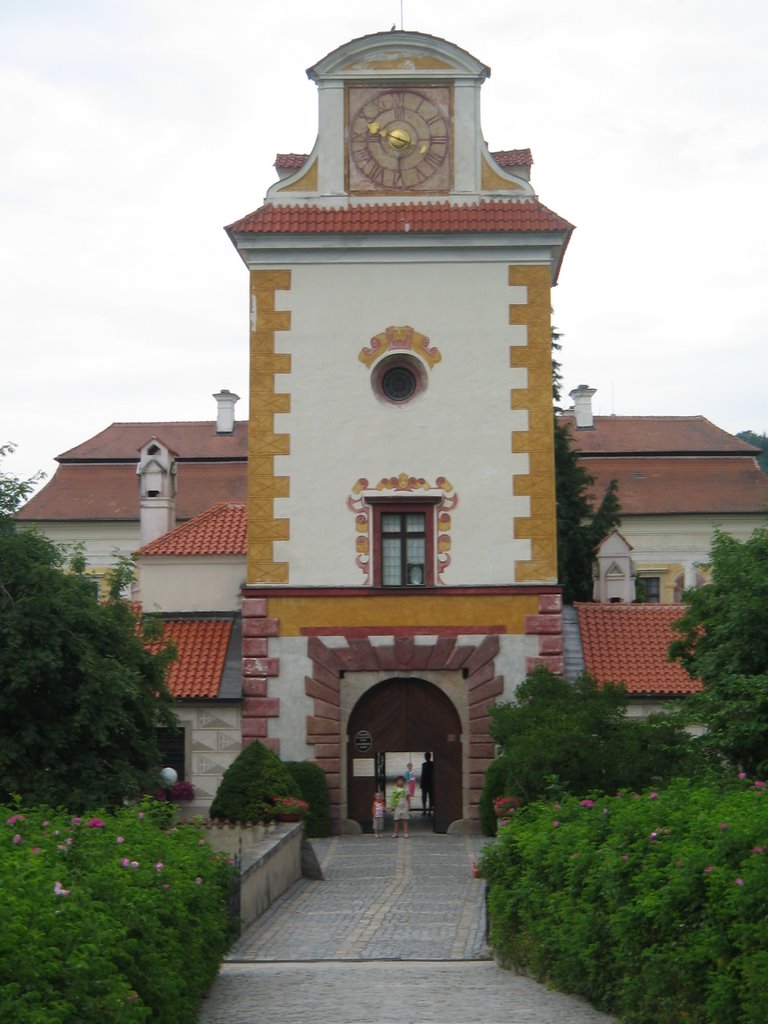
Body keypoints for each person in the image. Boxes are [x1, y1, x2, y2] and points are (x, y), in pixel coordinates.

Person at [420, 751, 434, 816]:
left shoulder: (424, 765)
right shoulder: (433, 764)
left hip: (425, 783)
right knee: (431, 797)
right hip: (431, 783)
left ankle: (424, 810)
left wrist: (421, 784)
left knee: (424, 797)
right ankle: (429, 811)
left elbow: (423, 775)